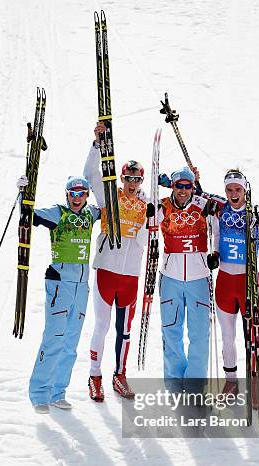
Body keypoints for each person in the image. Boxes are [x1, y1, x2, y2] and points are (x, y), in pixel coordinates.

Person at [16, 174, 101, 414]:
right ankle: (39, 393)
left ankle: (58, 392)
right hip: (60, 283)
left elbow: (110, 208)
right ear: (67, 194)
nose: (77, 198)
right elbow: (29, 216)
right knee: (54, 337)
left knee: (71, 343)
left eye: (81, 194)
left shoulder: (91, 214)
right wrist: (24, 193)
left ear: (86, 195)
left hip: (81, 284)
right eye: (73, 194)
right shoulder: (58, 213)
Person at [84, 122, 153, 402]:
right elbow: (90, 174)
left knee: (124, 330)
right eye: (128, 178)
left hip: (130, 276)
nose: (132, 184)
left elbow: (155, 234)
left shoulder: (147, 205)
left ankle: (120, 374)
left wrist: (152, 221)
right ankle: (95, 375)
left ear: (142, 180)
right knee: (101, 326)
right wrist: (96, 144)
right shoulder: (109, 195)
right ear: (122, 178)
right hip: (107, 272)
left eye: (137, 179)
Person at [206, 170, 259, 393]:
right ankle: (231, 381)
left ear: (244, 190)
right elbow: (194, 192)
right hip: (225, 281)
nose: (234, 194)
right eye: (229, 190)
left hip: (248, 282)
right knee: (227, 337)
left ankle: (254, 383)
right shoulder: (220, 208)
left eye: (238, 190)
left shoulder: (255, 213)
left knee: (252, 336)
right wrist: (214, 254)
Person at [157, 166, 211, 385]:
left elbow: (224, 214)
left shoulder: (203, 205)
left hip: (199, 278)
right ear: (173, 185)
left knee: (199, 335)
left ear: (193, 187)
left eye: (187, 186)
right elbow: (146, 221)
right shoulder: (163, 206)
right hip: (170, 277)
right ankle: (174, 384)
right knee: (171, 333)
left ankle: (195, 385)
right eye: (179, 185)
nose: (183, 190)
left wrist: (215, 253)